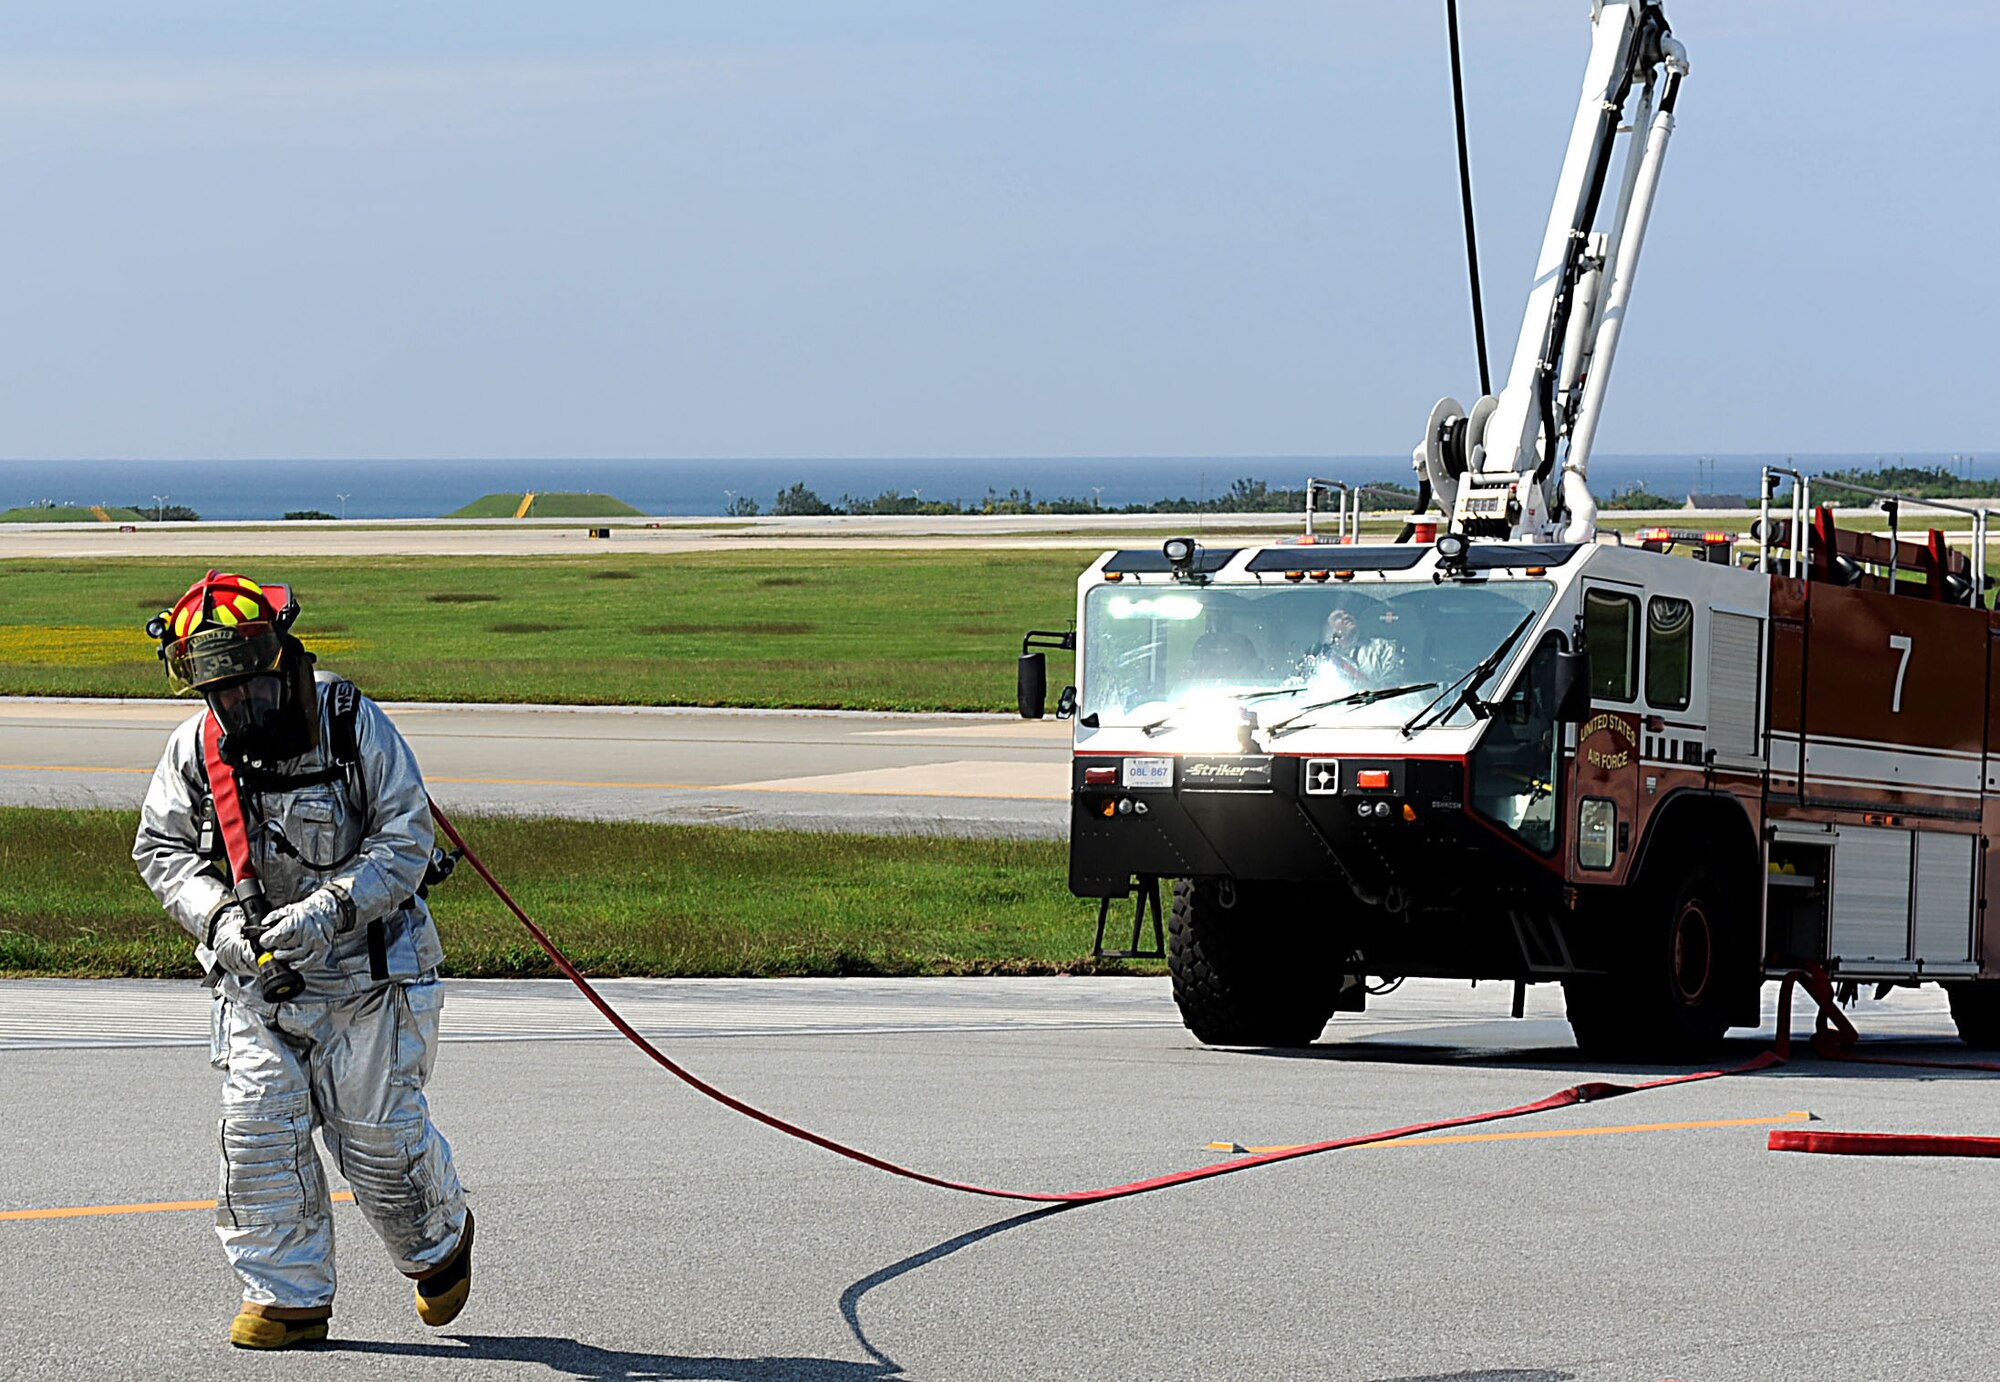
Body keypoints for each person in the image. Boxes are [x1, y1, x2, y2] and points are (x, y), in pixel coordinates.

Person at [132, 571, 473, 1351]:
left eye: (248, 688)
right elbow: (162, 850)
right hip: (258, 989)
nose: (237, 708)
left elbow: (405, 838)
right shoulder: (195, 748)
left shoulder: (353, 722)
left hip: (371, 979)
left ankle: (438, 1245)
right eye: (219, 693)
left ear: (279, 660)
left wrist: (328, 910)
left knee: (378, 1145)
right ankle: (287, 1295)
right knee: (258, 1137)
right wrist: (221, 924)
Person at [1311, 599, 1408, 691]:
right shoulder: (1321, 660)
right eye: (1338, 617)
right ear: (1327, 629)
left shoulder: (1384, 647)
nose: (1346, 616)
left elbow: (1396, 682)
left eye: (1348, 613)